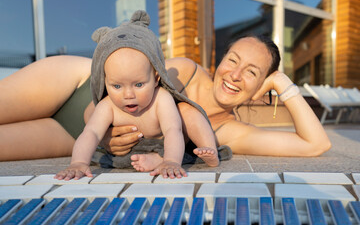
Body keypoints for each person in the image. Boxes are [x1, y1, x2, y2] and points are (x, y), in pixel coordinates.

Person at [0, 33, 331, 162]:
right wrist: (106, 133)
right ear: (220, 61)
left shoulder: (225, 131)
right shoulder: (182, 71)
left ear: (261, 87)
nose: (235, 74)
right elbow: (107, 100)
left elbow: (315, 145)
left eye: (253, 72)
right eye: (233, 60)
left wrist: (284, 84)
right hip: (74, 83)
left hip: (74, 136)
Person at [54, 10, 218, 180]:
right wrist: (78, 162)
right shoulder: (108, 105)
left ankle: (208, 149)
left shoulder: (160, 98)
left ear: (156, 78)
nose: (128, 94)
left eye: (139, 84)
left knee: (189, 112)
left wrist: (170, 161)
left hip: (164, 147)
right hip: (130, 152)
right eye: (117, 86)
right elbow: (91, 133)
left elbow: (172, 130)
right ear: (105, 83)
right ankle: (155, 160)